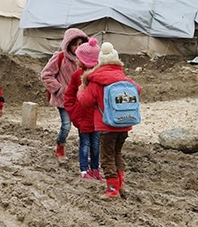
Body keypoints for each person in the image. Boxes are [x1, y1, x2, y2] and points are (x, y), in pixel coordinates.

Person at [78, 42, 141, 199]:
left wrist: (81, 89)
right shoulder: (124, 78)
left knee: (107, 158)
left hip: (106, 126)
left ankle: (112, 189)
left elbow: (85, 102)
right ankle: (121, 185)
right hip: (125, 123)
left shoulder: (97, 81)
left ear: (100, 61)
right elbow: (138, 90)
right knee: (117, 154)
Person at [40, 28, 89, 160]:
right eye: (74, 44)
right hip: (64, 99)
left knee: (83, 127)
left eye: (80, 44)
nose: (77, 47)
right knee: (66, 125)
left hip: (81, 99)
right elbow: (46, 74)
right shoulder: (60, 57)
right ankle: (60, 146)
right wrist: (59, 89)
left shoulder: (87, 59)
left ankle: (84, 152)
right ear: (68, 44)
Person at [64, 38, 103, 180]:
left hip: (97, 119)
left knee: (96, 145)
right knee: (84, 145)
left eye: (79, 58)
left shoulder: (99, 76)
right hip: (83, 119)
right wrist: (74, 113)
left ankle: (95, 169)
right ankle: (84, 170)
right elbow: (69, 96)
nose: (76, 60)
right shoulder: (77, 76)